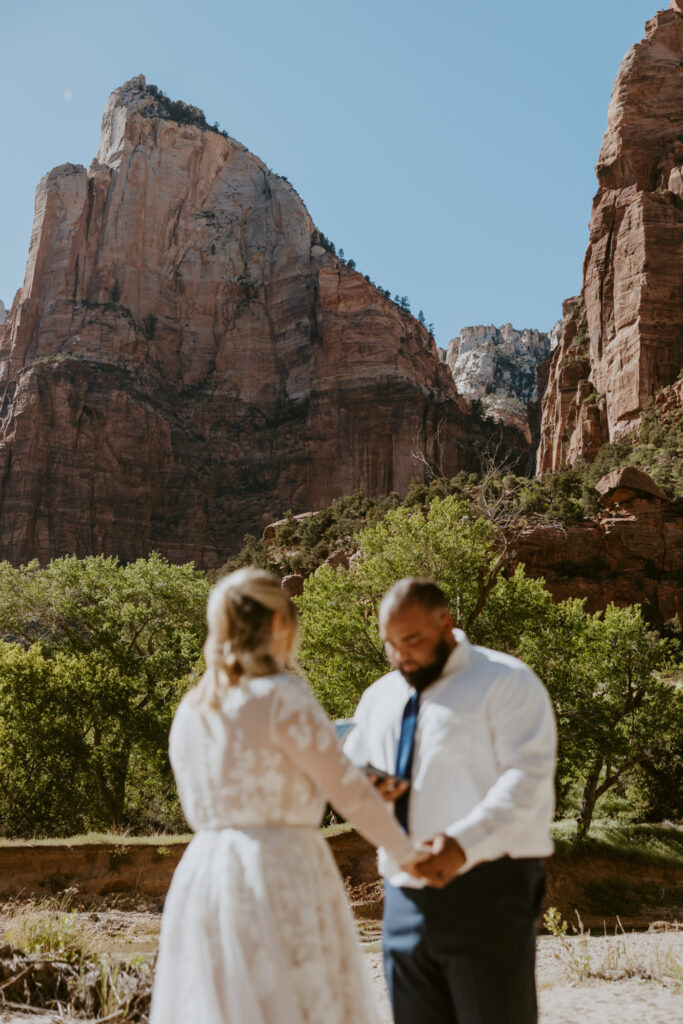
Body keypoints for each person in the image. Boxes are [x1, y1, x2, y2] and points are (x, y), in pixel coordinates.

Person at [149, 568, 421, 1024]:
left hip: (205, 876)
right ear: (278, 623)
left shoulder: (192, 708)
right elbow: (350, 793)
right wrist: (406, 854)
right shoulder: (283, 695)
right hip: (280, 867)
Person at [344, 577, 557, 1024]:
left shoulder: (506, 681)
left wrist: (463, 842)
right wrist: (364, 785)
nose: (401, 654)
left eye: (413, 639)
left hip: (489, 887)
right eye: (390, 644)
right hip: (401, 894)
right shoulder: (378, 698)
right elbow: (349, 774)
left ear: (446, 624)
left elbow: (527, 778)